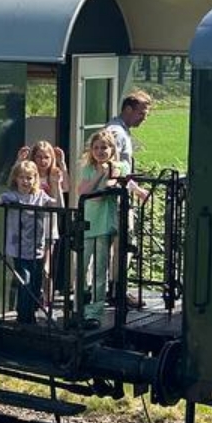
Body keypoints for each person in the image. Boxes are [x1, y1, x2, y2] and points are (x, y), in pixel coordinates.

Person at [0, 160, 59, 325]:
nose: (25, 181)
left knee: (35, 283)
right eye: (22, 177)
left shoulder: (40, 196)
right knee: (26, 280)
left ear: (35, 179)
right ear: (15, 179)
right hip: (18, 248)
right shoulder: (12, 196)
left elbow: (56, 204)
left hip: (36, 249)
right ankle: (23, 318)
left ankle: (29, 314)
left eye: (29, 178)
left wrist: (56, 183)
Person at [74, 130, 122, 324]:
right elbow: (83, 192)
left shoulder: (117, 166)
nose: (100, 151)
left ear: (111, 149)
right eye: (96, 147)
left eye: (104, 147)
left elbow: (105, 192)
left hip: (103, 224)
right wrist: (98, 175)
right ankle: (79, 306)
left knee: (100, 268)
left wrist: (105, 176)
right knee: (81, 266)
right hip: (87, 223)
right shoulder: (88, 168)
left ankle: (95, 310)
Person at [105, 90, 154, 203]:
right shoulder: (117, 133)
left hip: (120, 194)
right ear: (128, 109)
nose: (144, 118)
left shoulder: (122, 130)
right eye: (141, 113)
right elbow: (111, 167)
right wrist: (137, 190)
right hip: (113, 198)